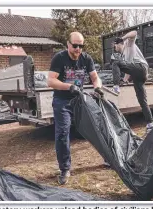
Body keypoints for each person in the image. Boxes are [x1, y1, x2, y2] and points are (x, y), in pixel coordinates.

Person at [48, 32, 104, 185]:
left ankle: (108, 158)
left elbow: (94, 77)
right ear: (68, 44)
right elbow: (51, 81)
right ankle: (65, 168)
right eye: (75, 45)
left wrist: (97, 87)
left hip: (79, 99)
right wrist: (69, 86)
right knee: (62, 133)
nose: (78, 49)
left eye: (81, 46)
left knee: (97, 127)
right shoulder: (59, 58)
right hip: (62, 101)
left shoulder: (86, 59)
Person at [107, 31, 153, 132]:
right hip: (139, 74)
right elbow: (128, 70)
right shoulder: (124, 56)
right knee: (142, 99)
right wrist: (124, 80)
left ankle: (115, 86)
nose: (115, 50)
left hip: (141, 68)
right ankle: (150, 123)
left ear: (119, 44)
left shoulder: (128, 44)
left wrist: (123, 38)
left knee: (115, 62)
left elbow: (135, 33)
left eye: (115, 47)